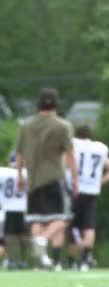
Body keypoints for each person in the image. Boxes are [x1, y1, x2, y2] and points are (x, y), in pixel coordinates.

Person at [16, 88, 78, 270]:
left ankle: (40, 260)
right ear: (57, 104)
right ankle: (42, 241)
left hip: (33, 180)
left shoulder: (26, 126)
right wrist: (75, 178)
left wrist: (20, 175)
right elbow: (70, 154)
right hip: (54, 178)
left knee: (37, 220)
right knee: (62, 218)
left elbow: (19, 154)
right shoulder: (62, 126)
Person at [68, 125, 109, 271]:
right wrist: (99, 182)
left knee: (72, 226)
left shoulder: (73, 145)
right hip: (92, 191)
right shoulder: (99, 148)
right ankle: (85, 259)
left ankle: (72, 260)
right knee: (89, 227)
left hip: (75, 189)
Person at [0, 152, 29, 269]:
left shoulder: (3, 173)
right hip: (22, 208)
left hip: (7, 207)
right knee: (22, 236)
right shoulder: (27, 174)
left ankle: (10, 260)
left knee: (9, 236)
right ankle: (23, 260)